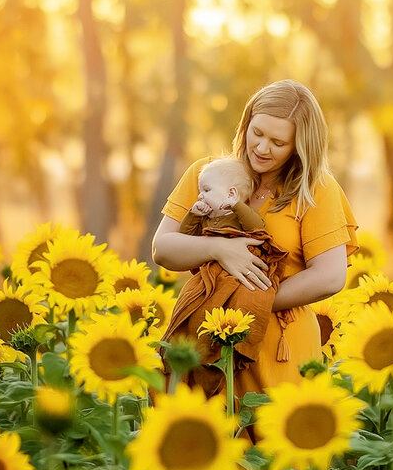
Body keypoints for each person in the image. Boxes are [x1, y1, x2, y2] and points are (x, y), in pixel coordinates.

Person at [152, 80, 358, 398]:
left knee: (271, 438)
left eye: (278, 142)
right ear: (246, 123)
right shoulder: (206, 174)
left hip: (280, 346)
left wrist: (245, 307)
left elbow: (329, 276)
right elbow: (163, 249)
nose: (262, 148)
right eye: (257, 133)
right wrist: (219, 248)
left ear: (300, 146)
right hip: (206, 334)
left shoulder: (316, 190)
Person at [161, 157, 283, 397]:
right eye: (200, 191)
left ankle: (224, 358)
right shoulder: (207, 216)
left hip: (237, 277)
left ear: (231, 193)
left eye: (206, 190)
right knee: (190, 316)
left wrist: (235, 205)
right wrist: (194, 215)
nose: (200, 196)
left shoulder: (240, 214)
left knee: (238, 311)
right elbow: (186, 237)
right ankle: (190, 361)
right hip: (209, 277)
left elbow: (257, 225)